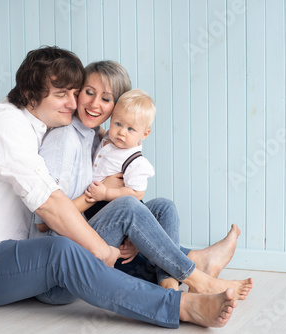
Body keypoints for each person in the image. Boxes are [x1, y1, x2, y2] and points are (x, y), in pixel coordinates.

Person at [0, 46, 238, 329]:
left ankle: (182, 267)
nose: (73, 102)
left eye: (74, 92)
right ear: (30, 95)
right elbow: (48, 207)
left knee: (154, 208)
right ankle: (180, 304)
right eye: (61, 94)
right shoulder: (5, 124)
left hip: (19, 258)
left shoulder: (46, 127)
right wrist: (99, 247)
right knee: (64, 247)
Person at [34, 60, 253, 296]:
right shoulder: (65, 139)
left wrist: (137, 238)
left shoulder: (96, 136)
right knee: (127, 207)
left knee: (163, 208)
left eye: (106, 99)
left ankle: (168, 284)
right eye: (88, 92)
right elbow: (44, 222)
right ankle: (197, 273)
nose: (95, 104)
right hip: (59, 265)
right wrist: (102, 192)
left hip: (89, 235)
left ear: (115, 108)